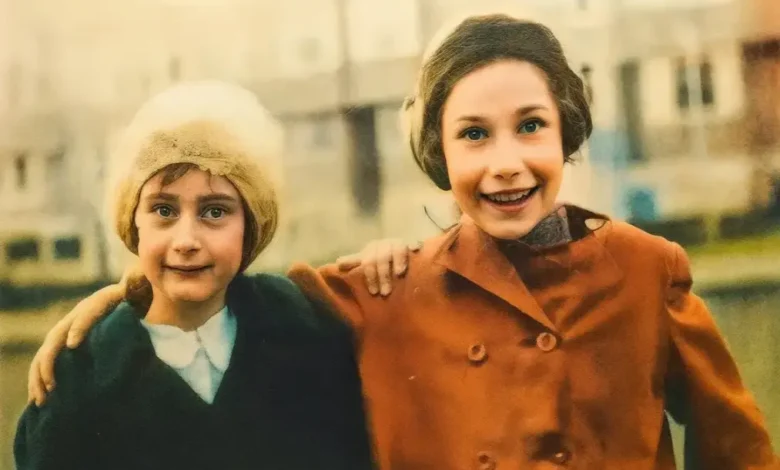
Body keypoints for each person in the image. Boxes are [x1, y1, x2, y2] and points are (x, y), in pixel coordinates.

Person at [27, 15, 779, 470]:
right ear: (438, 155)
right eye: (473, 135)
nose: (505, 162)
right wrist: (122, 296)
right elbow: (214, 281)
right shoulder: (383, 290)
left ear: (568, 133)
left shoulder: (648, 272)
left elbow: (739, 452)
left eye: (531, 126)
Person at [15, 80, 407, 470]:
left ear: (249, 226)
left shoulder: (307, 327)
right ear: (134, 224)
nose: (186, 240)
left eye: (215, 211)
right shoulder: (78, 374)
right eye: (164, 211)